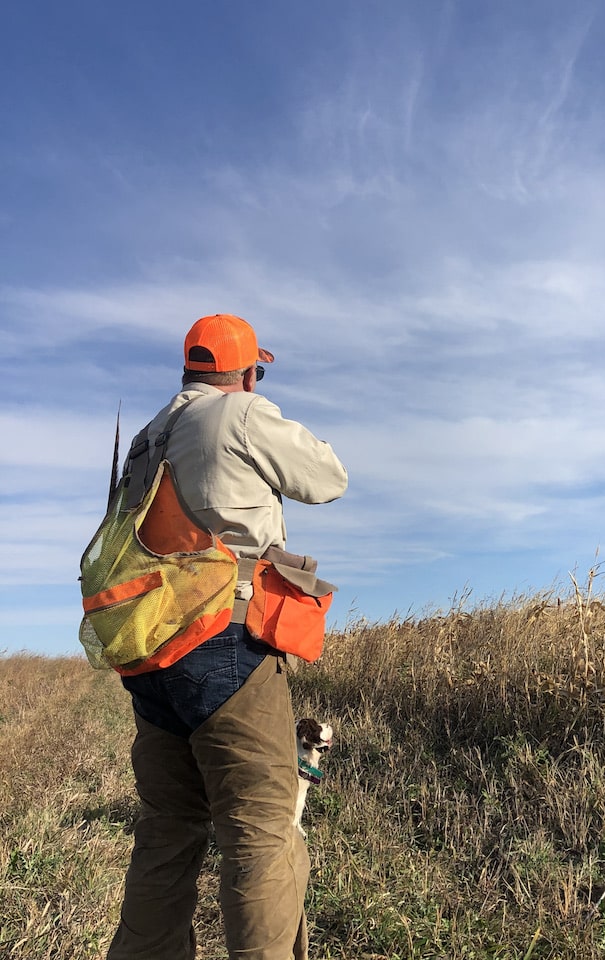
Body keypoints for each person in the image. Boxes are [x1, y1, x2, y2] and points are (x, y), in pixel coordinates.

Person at [106, 314, 348, 960]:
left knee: (167, 832)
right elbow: (327, 477)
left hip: (149, 656)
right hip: (225, 642)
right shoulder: (239, 414)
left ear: (189, 368)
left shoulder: (147, 438)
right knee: (262, 836)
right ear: (245, 372)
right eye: (256, 374)